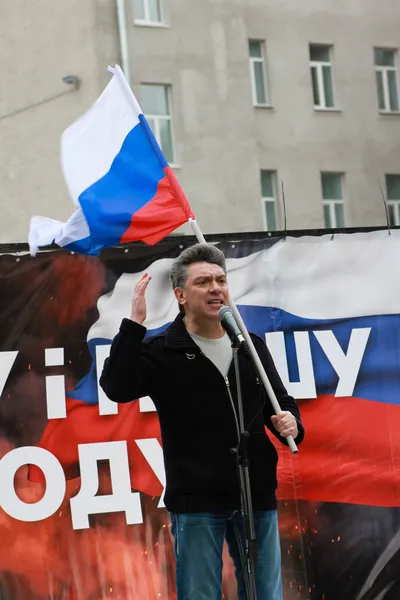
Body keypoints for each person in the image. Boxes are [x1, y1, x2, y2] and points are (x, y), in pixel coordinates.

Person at [100, 243, 304, 600]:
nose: (216, 288)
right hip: (196, 500)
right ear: (180, 295)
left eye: (221, 280)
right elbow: (117, 387)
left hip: (255, 494)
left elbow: (279, 402)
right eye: (204, 281)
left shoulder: (248, 345)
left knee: (266, 594)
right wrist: (134, 325)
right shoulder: (162, 350)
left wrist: (292, 423)